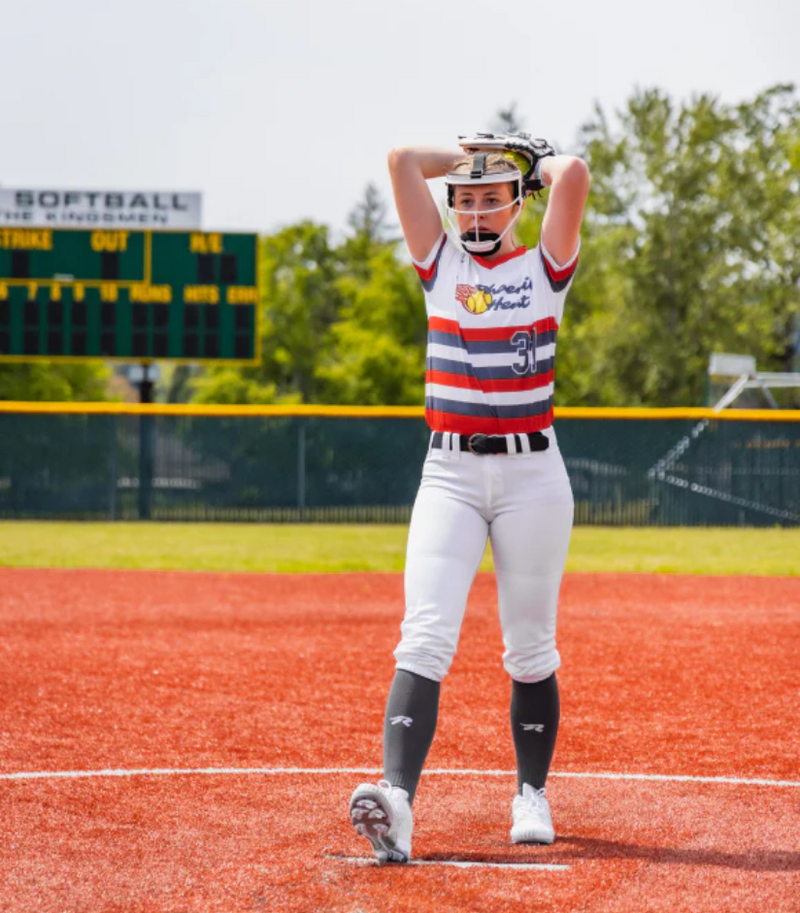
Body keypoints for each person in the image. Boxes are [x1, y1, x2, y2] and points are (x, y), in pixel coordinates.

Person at [348, 132, 590, 863]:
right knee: (423, 634)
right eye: (466, 199)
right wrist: (472, 152)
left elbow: (572, 173)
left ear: (518, 202)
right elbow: (399, 162)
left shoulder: (546, 270)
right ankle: (396, 801)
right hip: (448, 472)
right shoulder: (440, 264)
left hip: (532, 476)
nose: (477, 212)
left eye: (491, 198)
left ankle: (531, 792)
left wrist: (527, 157)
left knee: (530, 647)